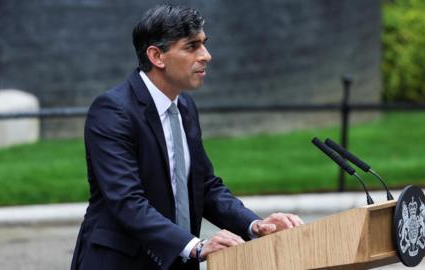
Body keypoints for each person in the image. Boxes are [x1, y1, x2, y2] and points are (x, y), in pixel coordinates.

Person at [70, 5, 303, 270]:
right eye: (192, 47)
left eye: (204, 44)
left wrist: (255, 225)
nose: (206, 56)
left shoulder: (184, 106)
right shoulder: (112, 111)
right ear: (157, 56)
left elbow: (205, 187)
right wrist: (196, 247)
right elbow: (127, 201)